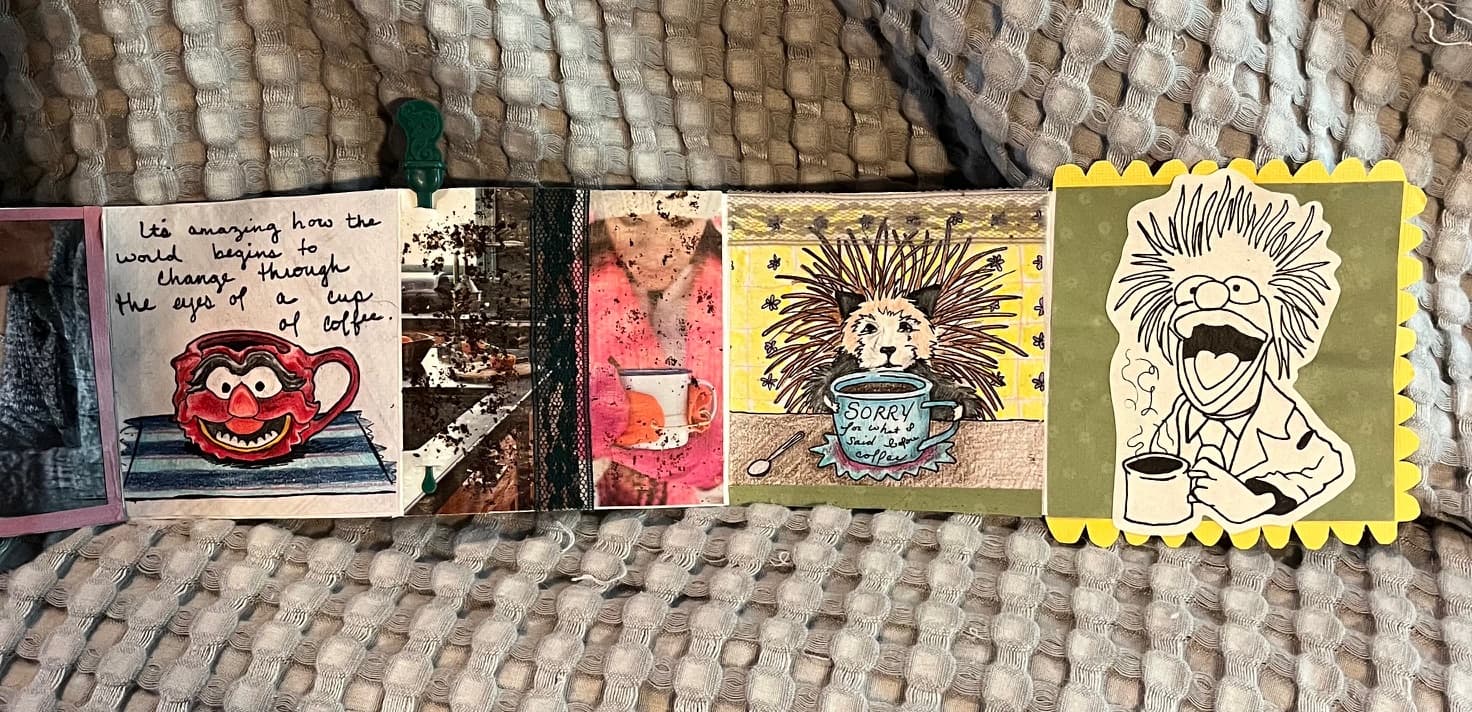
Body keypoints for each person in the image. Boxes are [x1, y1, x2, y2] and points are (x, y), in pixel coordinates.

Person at [587, 192, 723, 506]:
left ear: (708, 222)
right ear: (602, 221)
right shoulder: (575, 295)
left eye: (681, 221)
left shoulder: (739, 289)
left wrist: (715, 471)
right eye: (630, 219)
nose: (655, 251)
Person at [0, 220, 107, 517]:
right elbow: (25, 415)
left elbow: (112, 473)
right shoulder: (27, 280)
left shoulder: (104, 253)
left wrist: (9, 479)